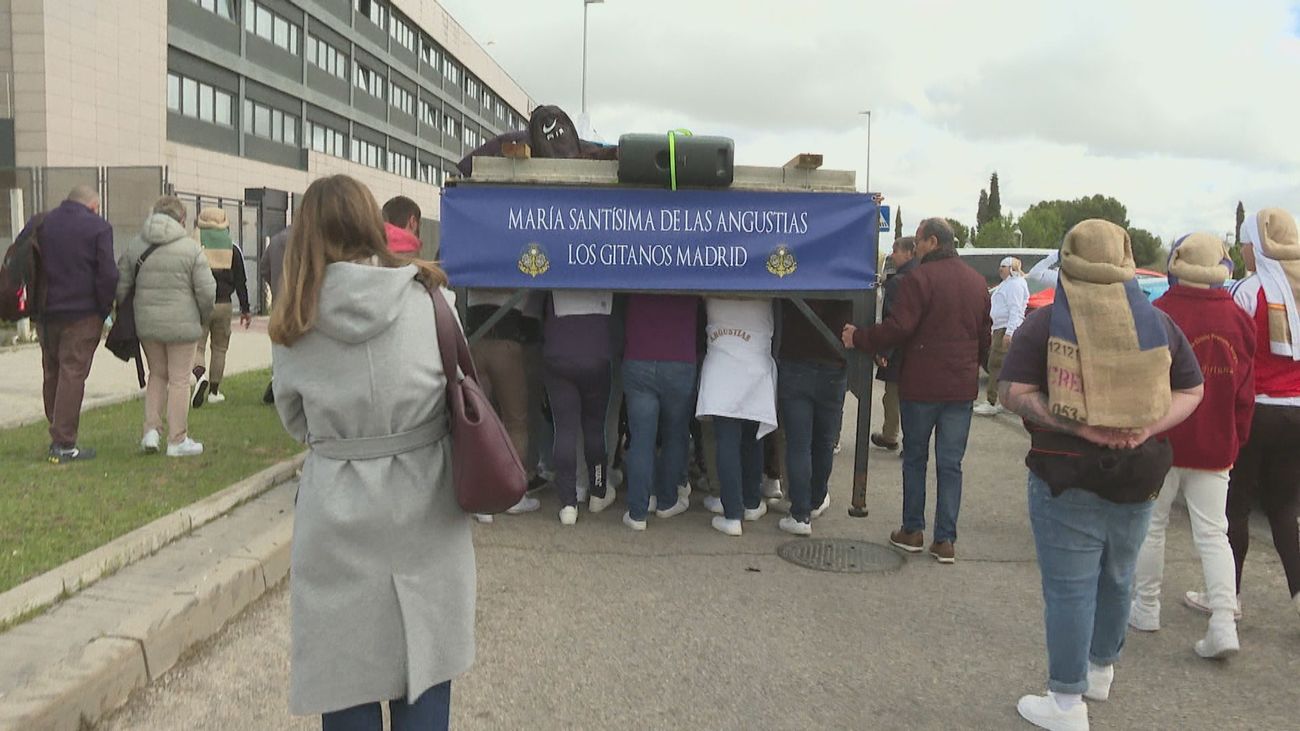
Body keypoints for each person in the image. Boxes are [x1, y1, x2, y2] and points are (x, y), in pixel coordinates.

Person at [269, 175, 471, 730]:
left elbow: (294, 421)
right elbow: (458, 391)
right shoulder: (434, 300)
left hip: (337, 506)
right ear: (370, 222)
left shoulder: (294, 323)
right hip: (425, 499)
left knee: (344, 671)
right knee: (424, 663)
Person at [998, 220, 1203, 731]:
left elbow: (1014, 393)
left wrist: (1083, 428)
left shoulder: (1045, 325)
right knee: (1117, 576)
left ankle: (1066, 703)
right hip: (1139, 473)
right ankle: (1100, 669)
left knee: (1070, 589)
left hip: (1065, 474)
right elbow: (1192, 390)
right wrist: (1143, 428)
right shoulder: (1157, 324)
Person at [1130, 232, 1253, 659]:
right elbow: (1244, 391)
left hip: (1161, 437)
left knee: (1152, 524)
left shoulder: (1158, 311)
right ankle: (1223, 621)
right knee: (1213, 532)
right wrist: (1238, 436)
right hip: (1217, 441)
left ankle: (1146, 607)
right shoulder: (1239, 318)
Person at [842, 218, 991, 563]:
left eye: (920, 241)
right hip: (960, 388)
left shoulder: (919, 279)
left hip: (922, 385)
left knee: (916, 458)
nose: (916, 247)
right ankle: (945, 540)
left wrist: (861, 338)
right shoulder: (976, 282)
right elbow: (985, 333)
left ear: (933, 242)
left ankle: (912, 530)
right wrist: (972, 365)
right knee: (951, 464)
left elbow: (899, 327)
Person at [1219, 208, 1300, 624]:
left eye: (1247, 243)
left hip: (1259, 409)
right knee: (1285, 508)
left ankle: (1228, 596)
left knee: (1236, 503)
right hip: (1297, 412)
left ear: (1260, 247)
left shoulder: (1250, 291)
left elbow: (1234, 354)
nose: (1243, 249)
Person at [116, 197, 215, 457]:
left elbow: (121, 287)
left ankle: (151, 431)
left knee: (157, 375)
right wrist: (203, 317)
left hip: (147, 324)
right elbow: (207, 291)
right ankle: (177, 439)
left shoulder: (135, 245)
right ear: (182, 219)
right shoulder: (191, 249)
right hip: (183, 325)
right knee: (180, 379)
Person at [36, 185, 117, 463]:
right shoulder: (99, 228)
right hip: (82, 313)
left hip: (46, 313)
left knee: (52, 372)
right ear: (93, 206)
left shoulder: (45, 223)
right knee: (73, 374)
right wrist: (104, 309)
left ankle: (56, 432)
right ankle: (64, 443)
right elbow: (107, 274)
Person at [697, 297, 778, 537]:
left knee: (727, 441)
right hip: (756, 365)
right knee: (752, 438)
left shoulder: (715, 276)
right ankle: (751, 503)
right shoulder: (765, 282)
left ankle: (732, 513)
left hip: (722, 364)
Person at [464, 289, 546, 520]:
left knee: (476, 423)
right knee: (516, 422)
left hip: (476, 340)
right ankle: (515, 497)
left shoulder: (473, 257)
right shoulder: (512, 258)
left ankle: (480, 499)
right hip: (508, 343)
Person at [620, 294, 699, 530]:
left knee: (641, 440)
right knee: (676, 434)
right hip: (680, 358)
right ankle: (667, 501)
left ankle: (637, 512)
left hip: (639, 354)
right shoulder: (692, 259)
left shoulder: (635, 258)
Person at [775, 297, 853, 536]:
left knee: (798, 444)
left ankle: (800, 513)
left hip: (796, 362)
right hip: (833, 364)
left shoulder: (796, 269)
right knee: (824, 443)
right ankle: (816, 499)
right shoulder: (845, 272)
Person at [544, 290, 616, 525]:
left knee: (564, 430)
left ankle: (568, 503)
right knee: (595, 429)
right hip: (597, 352)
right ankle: (597, 492)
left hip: (559, 351)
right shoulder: (607, 256)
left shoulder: (556, 256)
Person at [191, 207, 251, 406]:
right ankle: (214, 392)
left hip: (199, 304)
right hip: (224, 304)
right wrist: (245, 309)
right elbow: (241, 281)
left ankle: (200, 376)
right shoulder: (233, 249)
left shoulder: (194, 246)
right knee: (220, 348)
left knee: (197, 346)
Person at [871, 236, 917, 451]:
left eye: (896, 250)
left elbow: (894, 320)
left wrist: (884, 351)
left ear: (909, 253)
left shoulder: (899, 282)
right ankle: (910, 441)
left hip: (899, 350)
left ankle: (891, 434)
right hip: (920, 350)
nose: (892, 255)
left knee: (894, 395)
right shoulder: (924, 276)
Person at [975, 256, 1029, 416]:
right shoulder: (1008, 284)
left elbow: (1015, 309)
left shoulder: (1015, 285)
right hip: (1000, 328)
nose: (1000, 269)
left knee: (996, 365)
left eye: (1003, 266)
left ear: (1012, 269)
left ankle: (992, 401)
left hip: (1006, 329)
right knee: (1000, 365)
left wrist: (1010, 332)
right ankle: (1005, 402)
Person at [260, 225, 289, 405]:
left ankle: (277, 381)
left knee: (279, 345)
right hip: (305, 302)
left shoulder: (277, 240)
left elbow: (264, 268)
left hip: (280, 301)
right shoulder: (312, 239)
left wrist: (274, 285)